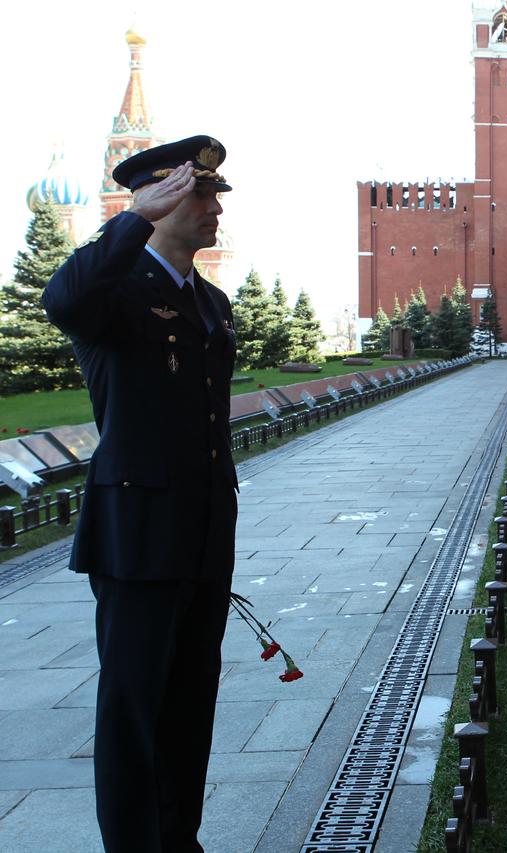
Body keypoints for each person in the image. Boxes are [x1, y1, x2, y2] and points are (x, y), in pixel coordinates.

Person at [42, 135, 238, 853]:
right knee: (133, 713)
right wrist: (128, 221)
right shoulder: (115, 295)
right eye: (199, 193)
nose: (213, 207)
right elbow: (61, 298)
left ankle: (177, 839)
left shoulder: (209, 302)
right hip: (136, 538)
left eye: (215, 195)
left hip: (204, 535)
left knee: (190, 706)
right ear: (158, 200)